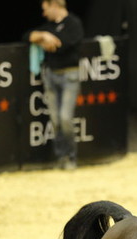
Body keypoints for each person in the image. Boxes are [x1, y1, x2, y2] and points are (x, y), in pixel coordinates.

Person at [26, 0, 84, 170]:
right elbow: (28, 36)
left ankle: (72, 157)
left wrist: (49, 39)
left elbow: (64, 45)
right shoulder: (48, 26)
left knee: (65, 118)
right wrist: (44, 36)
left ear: (54, 5)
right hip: (50, 75)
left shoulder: (74, 23)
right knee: (55, 119)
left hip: (70, 76)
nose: (44, 14)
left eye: (45, 9)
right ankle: (61, 158)